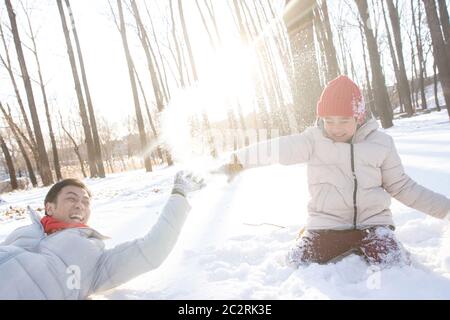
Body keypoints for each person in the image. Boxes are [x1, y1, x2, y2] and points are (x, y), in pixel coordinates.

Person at [221, 75, 450, 267]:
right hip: (326, 226)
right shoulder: (313, 141)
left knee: (395, 265)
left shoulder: (381, 144)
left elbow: (402, 187)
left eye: (344, 121)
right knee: (296, 263)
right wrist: (239, 159)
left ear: (358, 117)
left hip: (374, 225)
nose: (336, 129)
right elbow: (279, 148)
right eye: (329, 121)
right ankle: (310, 238)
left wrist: (446, 210)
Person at [0, 171, 204, 299]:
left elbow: (150, 250)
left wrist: (179, 195)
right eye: (72, 198)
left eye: (86, 201)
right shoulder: (22, 232)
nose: (80, 204)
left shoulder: (93, 254)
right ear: (49, 207)